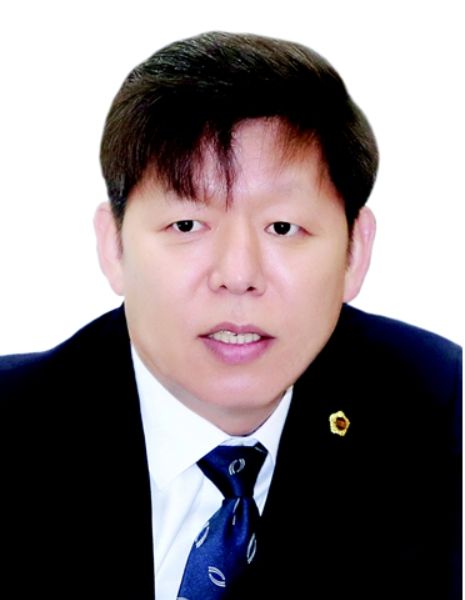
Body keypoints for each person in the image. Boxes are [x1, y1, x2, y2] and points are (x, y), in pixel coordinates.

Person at [1, 31, 461, 600]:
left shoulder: (442, 418)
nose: (238, 274)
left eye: (283, 227)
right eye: (187, 225)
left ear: (355, 252)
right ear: (114, 246)